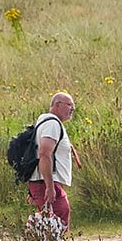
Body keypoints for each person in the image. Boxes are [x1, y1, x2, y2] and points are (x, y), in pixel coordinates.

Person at [29, 92, 76, 230]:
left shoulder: (45, 122)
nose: (72, 109)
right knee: (59, 218)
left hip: (41, 182)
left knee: (50, 222)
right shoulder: (52, 124)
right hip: (46, 183)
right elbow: (44, 153)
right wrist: (49, 187)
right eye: (69, 105)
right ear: (57, 105)